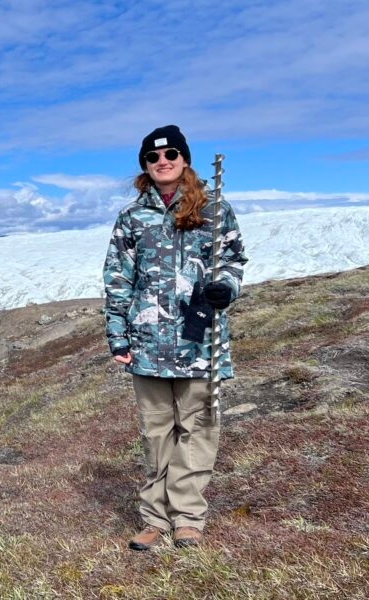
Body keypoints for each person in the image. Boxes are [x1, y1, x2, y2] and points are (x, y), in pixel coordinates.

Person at [103, 124, 248, 551]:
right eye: (152, 157)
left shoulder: (215, 209)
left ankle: (187, 518)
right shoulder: (132, 219)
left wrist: (227, 289)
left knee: (198, 430)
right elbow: (117, 279)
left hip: (200, 340)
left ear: (184, 159)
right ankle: (154, 519)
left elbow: (234, 261)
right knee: (156, 433)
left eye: (170, 155)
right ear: (145, 167)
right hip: (148, 345)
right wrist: (118, 337)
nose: (162, 162)